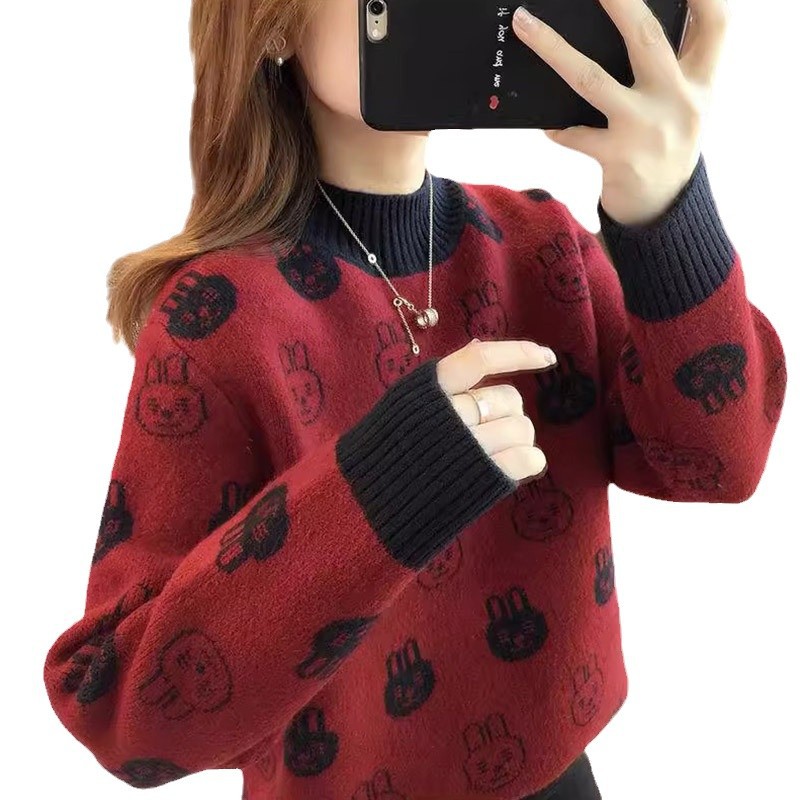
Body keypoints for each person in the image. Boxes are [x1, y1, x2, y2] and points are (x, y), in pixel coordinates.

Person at [43, 1, 786, 798]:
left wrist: (665, 206)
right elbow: (123, 715)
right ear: (276, 24)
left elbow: (718, 462)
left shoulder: (543, 245)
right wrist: (381, 489)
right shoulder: (219, 318)